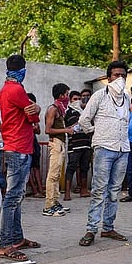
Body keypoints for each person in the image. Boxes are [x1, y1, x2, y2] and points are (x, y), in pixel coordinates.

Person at [78, 61, 130, 246]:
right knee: (99, 190)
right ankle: (91, 229)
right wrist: (96, 133)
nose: (120, 78)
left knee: (114, 191)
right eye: (116, 75)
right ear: (109, 78)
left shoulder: (127, 98)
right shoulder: (99, 96)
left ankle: (108, 227)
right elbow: (84, 120)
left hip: (123, 149)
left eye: (123, 75)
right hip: (103, 148)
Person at [0, 54, 42, 262]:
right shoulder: (16, 90)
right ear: (22, 70)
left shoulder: (6, 90)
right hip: (18, 147)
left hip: (15, 145)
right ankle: (6, 244)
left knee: (16, 196)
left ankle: (16, 238)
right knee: (13, 197)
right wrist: (37, 109)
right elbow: (32, 116)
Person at [43, 83, 72, 215]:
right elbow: (48, 130)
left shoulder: (60, 109)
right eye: (66, 94)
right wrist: (66, 130)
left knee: (57, 175)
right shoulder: (53, 109)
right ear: (61, 95)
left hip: (60, 143)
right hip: (56, 143)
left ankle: (55, 201)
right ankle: (49, 205)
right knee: (53, 175)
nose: (68, 97)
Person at [64, 90, 92, 199]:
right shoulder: (69, 112)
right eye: (74, 99)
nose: (77, 101)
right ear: (70, 100)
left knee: (85, 167)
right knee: (71, 167)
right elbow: (73, 127)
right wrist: (83, 121)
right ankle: (67, 193)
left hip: (86, 143)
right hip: (74, 145)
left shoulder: (84, 111)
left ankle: (84, 190)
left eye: (78, 99)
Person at [26, 93, 44, 198]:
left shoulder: (34, 115)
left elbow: (38, 130)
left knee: (36, 167)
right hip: (26, 143)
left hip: (33, 142)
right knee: (28, 168)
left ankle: (40, 189)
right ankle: (34, 190)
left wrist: (34, 127)